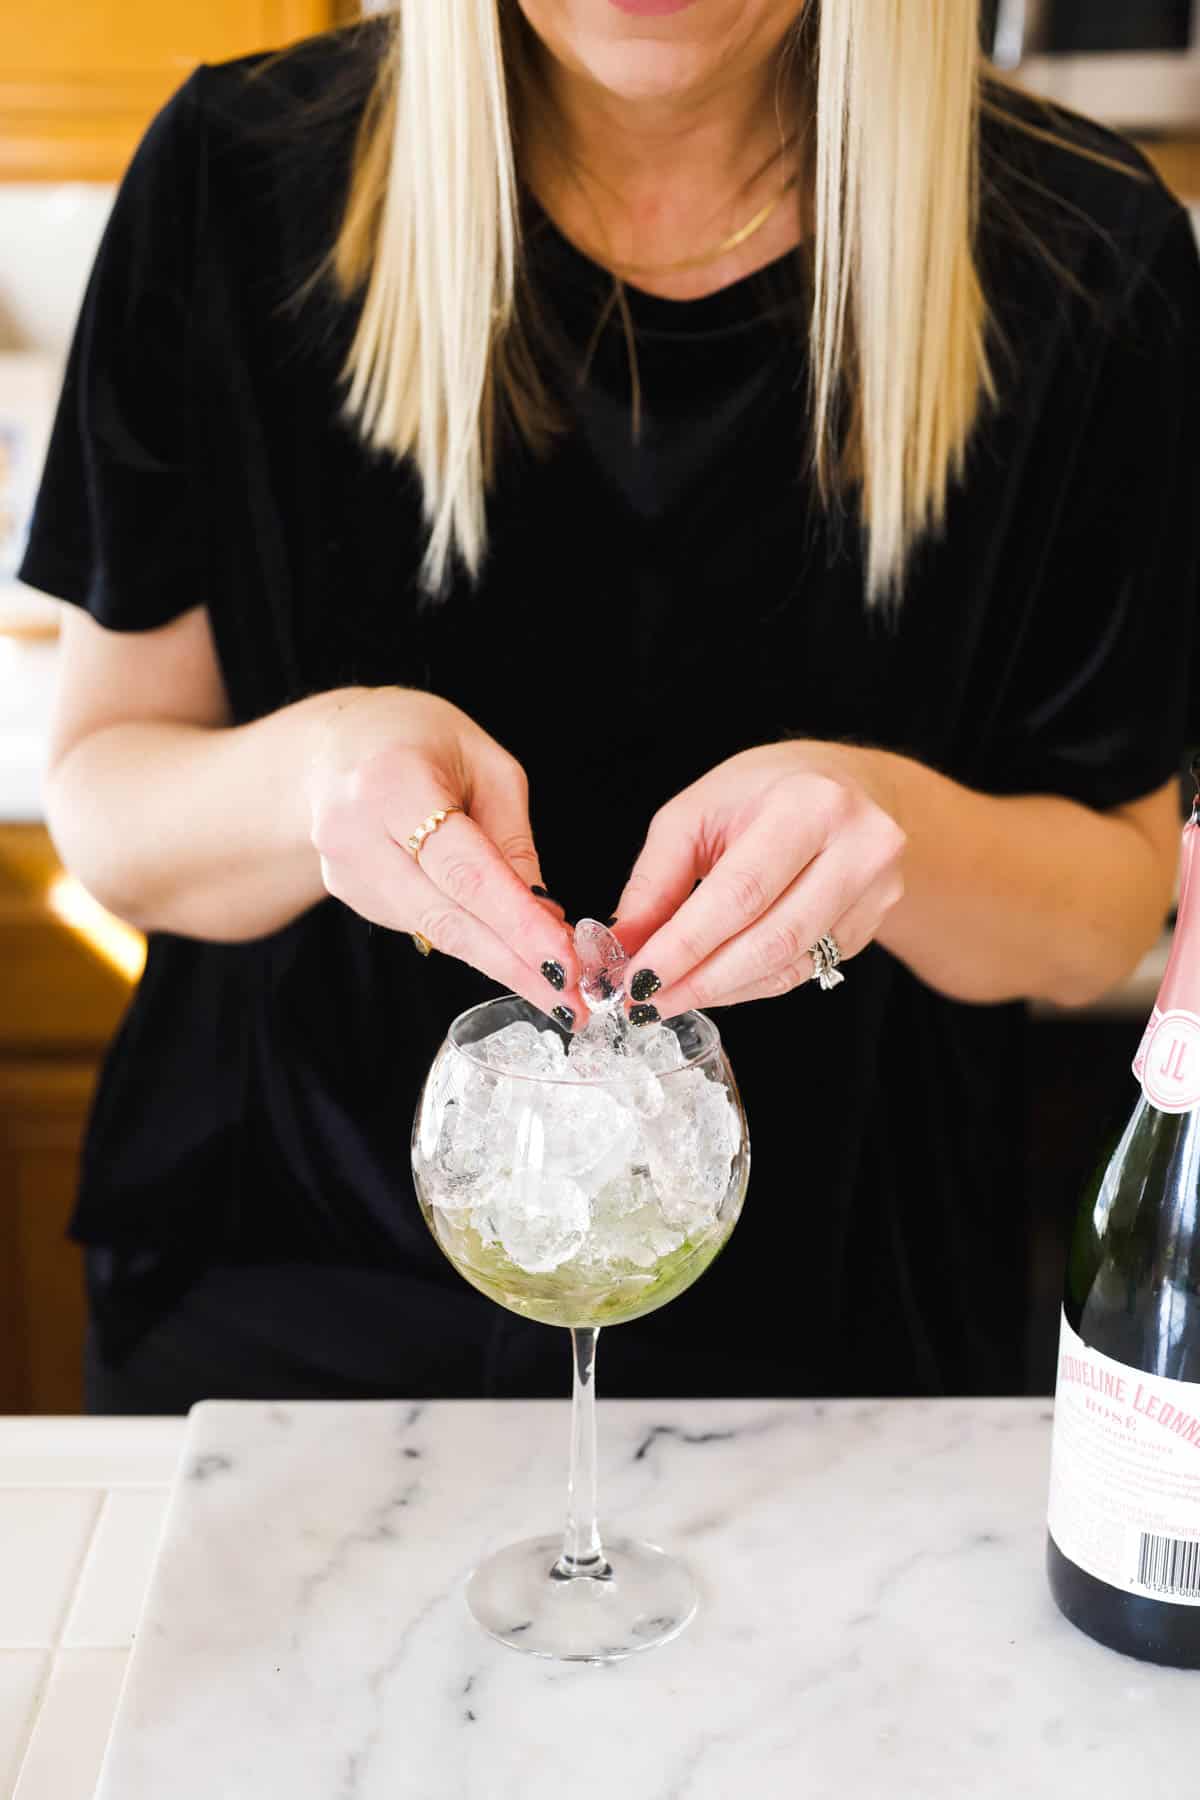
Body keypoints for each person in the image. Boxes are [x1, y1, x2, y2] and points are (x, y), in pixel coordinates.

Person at [18, 1, 1199, 1414]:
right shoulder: (231, 178)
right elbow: (104, 800)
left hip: (843, 1347)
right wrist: (315, 774)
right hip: (280, 1309)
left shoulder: (1090, 253)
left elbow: (1109, 914)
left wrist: (900, 831)